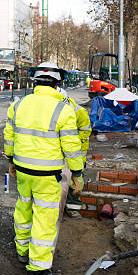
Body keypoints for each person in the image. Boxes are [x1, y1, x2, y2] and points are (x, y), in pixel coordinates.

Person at [4, 62, 84, 275]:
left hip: (22, 170)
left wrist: (10, 161)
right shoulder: (63, 109)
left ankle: (22, 252)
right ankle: (38, 272)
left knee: (23, 208)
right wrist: (77, 172)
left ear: (34, 81)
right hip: (47, 175)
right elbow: (71, 145)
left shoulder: (18, 105)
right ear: (58, 83)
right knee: (44, 219)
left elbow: (9, 137)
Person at [58, 88, 92, 219]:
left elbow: (85, 133)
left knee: (76, 180)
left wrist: (70, 144)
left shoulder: (79, 112)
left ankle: (73, 207)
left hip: (76, 151)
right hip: (58, 151)